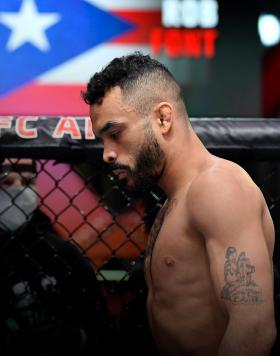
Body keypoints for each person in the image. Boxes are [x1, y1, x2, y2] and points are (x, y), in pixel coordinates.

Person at [82, 52, 277, 355]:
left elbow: (253, 328)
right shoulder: (176, 201)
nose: (106, 154)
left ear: (162, 118)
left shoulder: (217, 186)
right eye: (103, 140)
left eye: (116, 133)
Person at [0, 158, 111, 355]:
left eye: (28, 183)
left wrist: (76, 338)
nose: (18, 191)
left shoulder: (61, 254)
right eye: (7, 182)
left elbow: (102, 331)